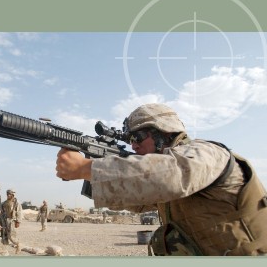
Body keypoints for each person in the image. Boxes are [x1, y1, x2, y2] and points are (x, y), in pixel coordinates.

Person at [55, 103, 267, 256]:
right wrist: (94, 171)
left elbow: (170, 176)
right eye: (130, 140)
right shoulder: (162, 177)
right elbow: (139, 202)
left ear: (164, 132)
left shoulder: (207, 153)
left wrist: (87, 168)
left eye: (138, 137)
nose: (133, 146)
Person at [1, 189, 23, 254]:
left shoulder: (16, 203)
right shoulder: (4, 203)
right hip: (5, 220)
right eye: (7, 194)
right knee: (4, 236)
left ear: (13, 195)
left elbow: (19, 213)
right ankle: (4, 250)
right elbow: (2, 212)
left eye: (9, 194)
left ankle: (18, 245)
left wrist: (18, 222)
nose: (8, 195)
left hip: (12, 221)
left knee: (11, 236)